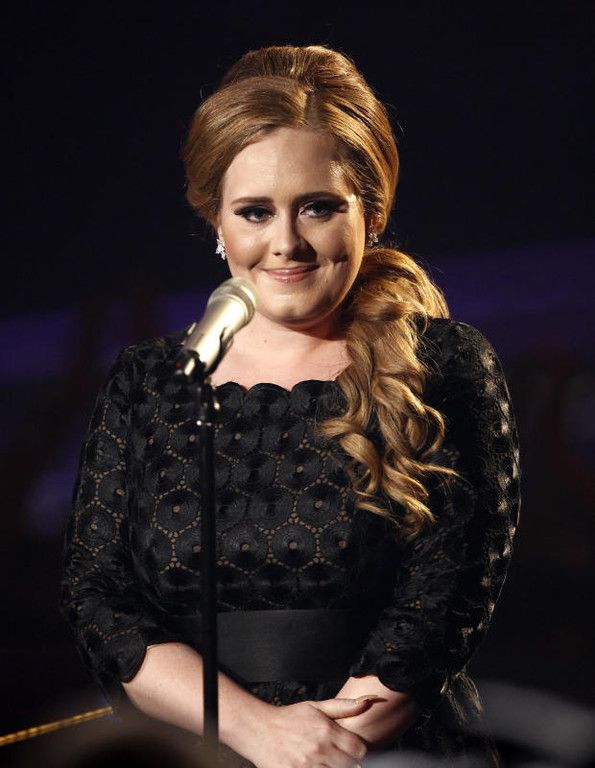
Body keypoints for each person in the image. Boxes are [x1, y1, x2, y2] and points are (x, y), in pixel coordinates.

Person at [60, 44, 521, 767]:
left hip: (382, 755)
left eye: (318, 207)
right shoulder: (150, 381)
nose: (285, 244)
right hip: (192, 751)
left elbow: (446, 601)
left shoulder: (446, 365)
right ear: (216, 223)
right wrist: (254, 732)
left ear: (371, 212)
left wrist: (325, 749)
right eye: (254, 212)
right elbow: (97, 599)